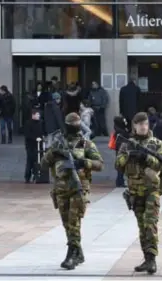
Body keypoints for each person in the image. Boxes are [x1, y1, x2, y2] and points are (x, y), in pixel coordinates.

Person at [40, 113, 104, 270]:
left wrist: (83, 162)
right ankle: (78, 252)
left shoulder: (85, 144)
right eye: (71, 124)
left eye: (76, 124)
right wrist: (52, 153)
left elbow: (100, 164)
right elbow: (43, 164)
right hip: (60, 189)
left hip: (78, 188)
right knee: (67, 223)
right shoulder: (57, 143)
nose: (73, 127)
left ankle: (71, 254)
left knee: (74, 220)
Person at [115, 112, 162, 274]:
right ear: (134, 126)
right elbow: (118, 165)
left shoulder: (156, 143)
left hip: (152, 190)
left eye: (146, 124)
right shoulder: (126, 144)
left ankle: (152, 259)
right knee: (142, 226)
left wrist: (147, 158)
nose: (143, 127)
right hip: (135, 192)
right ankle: (146, 258)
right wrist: (130, 155)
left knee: (150, 223)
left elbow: (161, 165)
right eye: (140, 124)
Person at [24, 109, 43, 183]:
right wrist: (35, 138)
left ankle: (35, 176)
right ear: (33, 115)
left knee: (36, 162)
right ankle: (27, 177)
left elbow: (41, 133)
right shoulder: (28, 123)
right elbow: (27, 135)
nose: (39, 116)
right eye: (37, 114)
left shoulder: (40, 123)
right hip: (30, 146)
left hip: (38, 146)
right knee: (30, 162)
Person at [113, 116, 130, 187]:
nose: (125, 122)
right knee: (121, 166)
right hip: (121, 149)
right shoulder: (121, 131)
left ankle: (119, 181)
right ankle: (120, 182)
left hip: (119, 149)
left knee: (121, 166)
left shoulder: (118, 129)